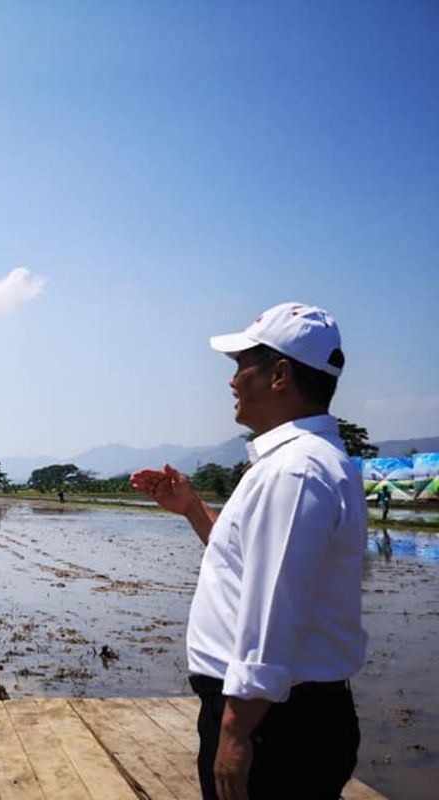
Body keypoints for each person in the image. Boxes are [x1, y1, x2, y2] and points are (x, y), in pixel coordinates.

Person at [131, 302, 366, 800]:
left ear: (279, 375)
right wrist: (193, 508)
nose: (233, 381)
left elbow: (273, 611)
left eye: (242, 366)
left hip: (275, 725)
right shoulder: (298, 463)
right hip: (276, 715)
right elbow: (251, 566)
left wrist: (236, 733)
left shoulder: (295, 471)